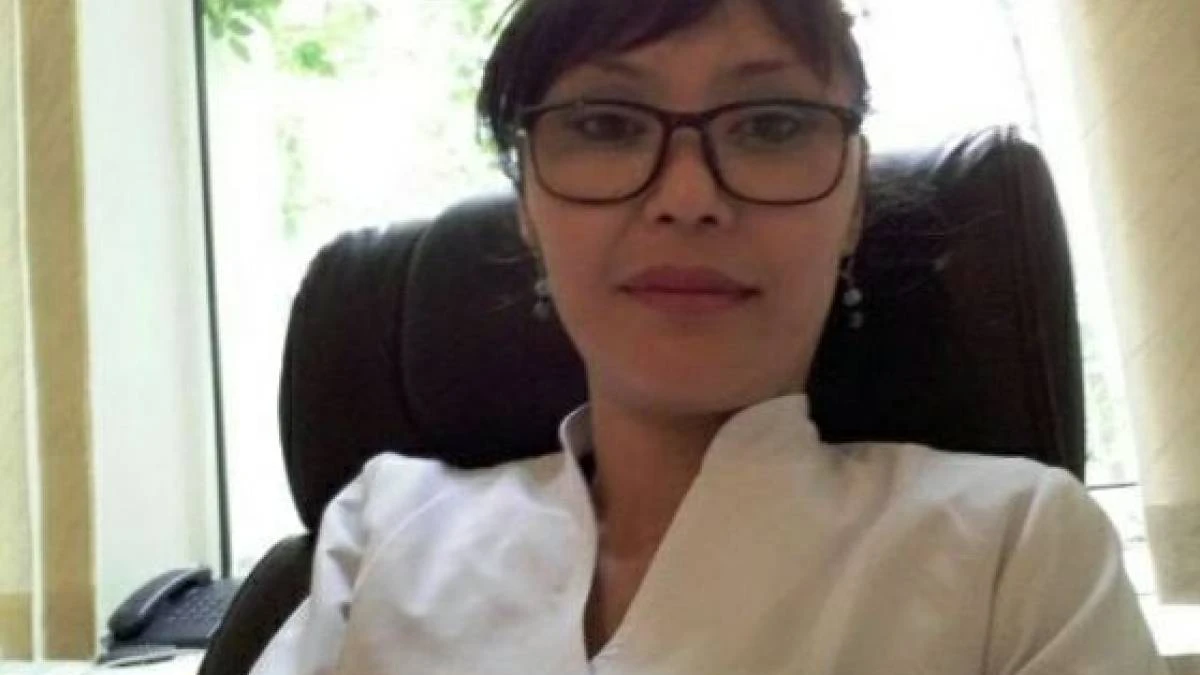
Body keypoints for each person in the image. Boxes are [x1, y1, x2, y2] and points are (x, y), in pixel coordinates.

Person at [249, 0, 1167, 673]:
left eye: (770, 125)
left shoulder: (1018, 552)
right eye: (606, 123)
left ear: (853, 204)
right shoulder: (384, 530)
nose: (687, 197)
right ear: (526, 203)